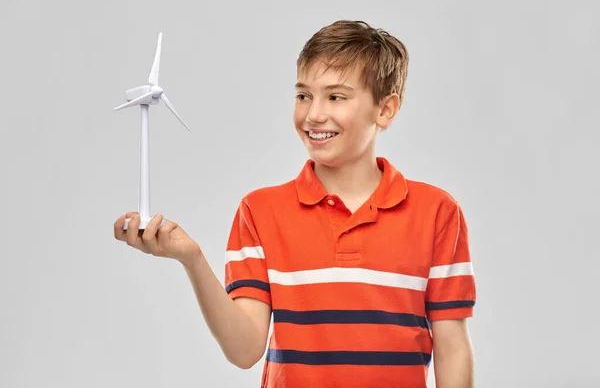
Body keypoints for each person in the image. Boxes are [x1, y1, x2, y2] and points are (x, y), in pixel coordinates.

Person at [114, 20, 476, 388]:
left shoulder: (437, 212)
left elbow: (452, 347)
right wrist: (191, 257)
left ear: (385, 109)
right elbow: (244, 350)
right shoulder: (260, 211)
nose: (313, 114)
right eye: (304, 95)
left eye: (336, 97)